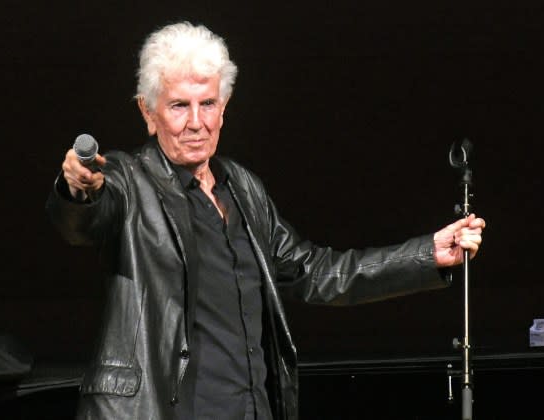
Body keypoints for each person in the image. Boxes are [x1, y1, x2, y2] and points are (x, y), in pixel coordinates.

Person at [46, 21, 486, 420]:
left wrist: (424, 254)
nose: (196, 123)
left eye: (208, 104)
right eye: (179, 105)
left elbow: (314, 271)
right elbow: (83, 220)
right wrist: (79, 190)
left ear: (225, 107)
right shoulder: (128, 180)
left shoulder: (244, 189)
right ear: (148, 112)